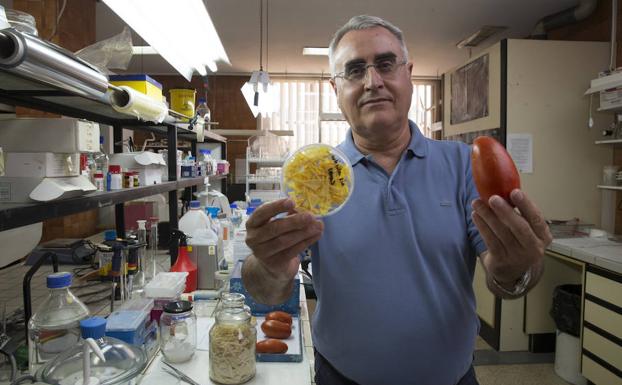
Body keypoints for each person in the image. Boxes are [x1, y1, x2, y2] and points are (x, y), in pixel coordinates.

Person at [242, 15, 552, 385]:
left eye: (386, 64)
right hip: (340, 377)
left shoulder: (462, 165)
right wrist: (268, 265)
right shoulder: (313, 179)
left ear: (409, 75)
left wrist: (517, 270)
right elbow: (266, 289)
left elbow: (509, 280)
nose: (373, 82)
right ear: (335, 89)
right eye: (355, 71)